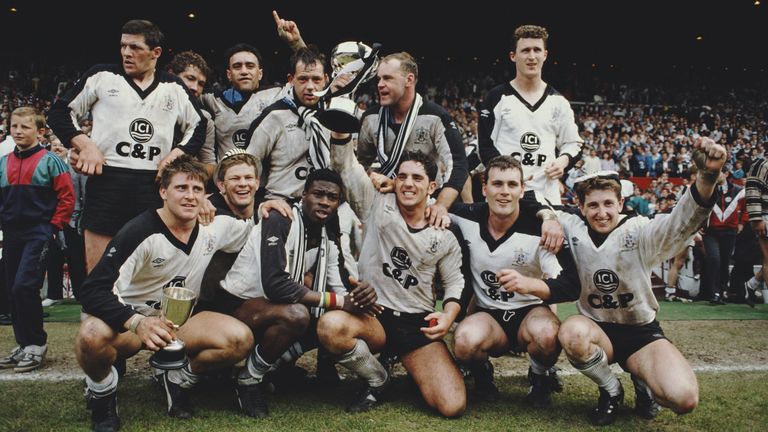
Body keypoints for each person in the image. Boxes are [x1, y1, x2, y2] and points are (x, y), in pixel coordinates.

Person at [498, 137, 726, 426]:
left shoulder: (639, 229)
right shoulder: (571, 224)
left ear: (621, 202)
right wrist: (548, 217)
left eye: (608, 203)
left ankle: (642, 380)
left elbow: (682, 221)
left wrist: (707, 177)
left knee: (683, 398)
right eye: (592, 205)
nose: (601, 212)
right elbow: (528, 195)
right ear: (579, 205)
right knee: (571, 332)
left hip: (640, 332)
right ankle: (610, 389)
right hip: (597, 330)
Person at [74, 156, 254, 431]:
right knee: (90, 336)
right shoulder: (139, 231)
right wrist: (136, 322)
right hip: (132, 324)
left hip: (177, 323)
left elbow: (254, 231)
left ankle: (176, 378)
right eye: (181, 188)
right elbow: (93, 290)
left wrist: (269, 205)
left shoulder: (214, 227)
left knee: (240, 339)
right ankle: (102, 395)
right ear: (163, 192)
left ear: (206, 195)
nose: (190, 196)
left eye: (196, 190)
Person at [48, 19, 208, 274]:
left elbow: (198, 125)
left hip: (152, 183)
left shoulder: (173, 87)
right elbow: (58, 112)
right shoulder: (102, 76)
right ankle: (96, 313)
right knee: (100, 272)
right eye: (123, 46)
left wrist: (175, 156)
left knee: (149, 271)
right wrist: (84, 143)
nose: (126, 53)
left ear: (155, 53)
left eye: (135, 47)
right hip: (107, 180)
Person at [216, 168, 378, 418]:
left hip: (272, 308)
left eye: (332, 197)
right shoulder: (281, 217)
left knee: (325, 319)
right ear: (304, 195)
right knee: (298, 314)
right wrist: (339, 301)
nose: (324, 201)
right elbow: (276, 284)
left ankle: (274, 368)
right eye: (318, 194)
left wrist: (359, 299)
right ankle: (248, 379)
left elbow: (336, 283)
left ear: (338, 203)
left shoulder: (327, 231)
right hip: (238, 305)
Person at [327, 142, 466, 417]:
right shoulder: (375, 202)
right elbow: (347, 166)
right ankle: (379, 378)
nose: (408, 184)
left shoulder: (445, 233)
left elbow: (454, 281)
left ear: (432, 186)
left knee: (452, 405)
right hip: (374, 316)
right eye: (402, 176)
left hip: (414, 323)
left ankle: (405, 361)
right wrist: (341, 133)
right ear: (394, 179)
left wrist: (449, 315)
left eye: (417, 178)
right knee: (331, 326)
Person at [451, 155, 576, 407]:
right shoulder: (465, 217)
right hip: (489, 314)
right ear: (484, 188)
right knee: (463, 341)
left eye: (511, 185)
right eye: (497, 184)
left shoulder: (540, 228)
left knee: (548, 335)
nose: (504, 192)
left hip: (529, 312)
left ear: (523, 190)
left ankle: (539, 376)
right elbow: (429, 206)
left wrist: (530, 285)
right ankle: (482, 376)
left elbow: (571, 285)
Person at [0, 107, 74, 372]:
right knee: (12, 290)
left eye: (25, 127)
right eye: (14, 126)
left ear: (40, 132)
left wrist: (53, 227)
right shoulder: (3, 161)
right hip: (11, 234)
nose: (18, 131)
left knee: (24, 287)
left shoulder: (51, 161)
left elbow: (67, 197)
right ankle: (23, 344)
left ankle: (36, 345)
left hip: (38, 232)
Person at [356, 52, 468, 227]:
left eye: (387, 78)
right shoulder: (370, 118)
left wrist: (441, 205)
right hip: (384, 204)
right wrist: (371, 178)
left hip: (426, 206)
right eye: (378, 79)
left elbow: (458, 163)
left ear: (409, 80)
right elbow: (359, 164)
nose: (380, 85)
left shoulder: (436, 117)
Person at [478, 25, 583, 204]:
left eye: (537, 50)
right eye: (525, 50)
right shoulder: (496, 97)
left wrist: (563, 162)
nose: (532, 57)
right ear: (513, 56)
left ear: (545, 55)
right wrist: (511, 176)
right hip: (506, 195)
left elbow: (573, 144)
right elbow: (486, 148)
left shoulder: (558, 102)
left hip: (546, 195)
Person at [201, 11, 306, 160]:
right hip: (225, 180)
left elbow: (312, 79)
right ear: (229, 75)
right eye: (237, 66)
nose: (244, 71)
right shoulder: (211, 100)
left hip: (263, 181)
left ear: (260, 73)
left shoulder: (277, 94)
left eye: (250, 66)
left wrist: (297, 44)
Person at [244, 46, 333, 200]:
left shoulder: (334, 116)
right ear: (291, 80)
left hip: (324, 203)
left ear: (326, 79)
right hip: (281, 202)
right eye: (303, 79)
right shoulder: (273, 116)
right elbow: (248, 166)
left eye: (316, 79)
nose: (310, 87)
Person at [165, 50, 217, 175]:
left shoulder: (204, 118)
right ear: (171, 75)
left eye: (201, 84)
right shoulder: (148, 104)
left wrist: (183, 173)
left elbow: (210, 166)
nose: (195, 88)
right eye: (190, 78)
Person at [699, 171, 745, 304]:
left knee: (724, 262)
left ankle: (721, 291)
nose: (715, 176)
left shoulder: (738, 191)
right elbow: (697, 209)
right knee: (714, 259)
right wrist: (698, 226)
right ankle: (713, 293)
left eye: (718, 173)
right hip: (710, 232)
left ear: (725, 174)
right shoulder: (707, 190)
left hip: (730, 232)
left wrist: (742, 223)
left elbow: (746, 208)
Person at [744, 156, 768, 301]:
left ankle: (751, 285)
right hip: (765, 216)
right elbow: (752, 189)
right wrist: (757, 219)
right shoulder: (761, 164)